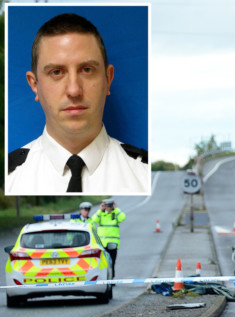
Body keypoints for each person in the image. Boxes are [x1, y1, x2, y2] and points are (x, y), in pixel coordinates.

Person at [6, 13, 149, 194]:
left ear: (108, 79)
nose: (74, 90)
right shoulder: (8, 178)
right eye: (56, 72)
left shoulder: (144, 174)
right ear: (35, 85)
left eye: (87, 70)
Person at [90, 199, 125, 277]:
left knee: (112, 263)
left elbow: (123, 217)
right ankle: (104, 278)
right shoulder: (101, 215)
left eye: (110, 206)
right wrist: (100, 210)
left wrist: (116, 209)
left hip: (112, 244)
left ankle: (111, 278)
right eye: (107, 206)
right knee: (102, 263)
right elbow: (94, 220)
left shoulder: (115, 214)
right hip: (102, 244)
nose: (108, 208)